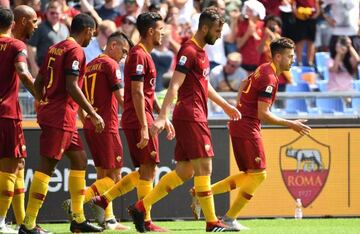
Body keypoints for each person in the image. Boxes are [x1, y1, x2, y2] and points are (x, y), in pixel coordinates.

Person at [127, 7, 241, 232]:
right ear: (205, 27)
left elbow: (203, 83)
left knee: (185, 171)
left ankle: (141, 206)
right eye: (217, 30)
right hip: (191, 115)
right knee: (205, 167)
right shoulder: (188, 51)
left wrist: (225, 105)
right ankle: (211, 222)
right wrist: (162, 116)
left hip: (192, 114)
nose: (219, 35)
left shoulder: (201, 51)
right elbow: (175, 84)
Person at [192, 37, 311, 231]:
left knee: (251, 174)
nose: (293, 60)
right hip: (247, 126)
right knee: (258, 175)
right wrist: (291, 124)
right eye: (290, 56)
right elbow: (263, 113)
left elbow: (242, 83)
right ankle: (227, 216)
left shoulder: (264, 68)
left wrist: (239, 107)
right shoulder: (269, 77)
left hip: (242, 123)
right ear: (278, 56)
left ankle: (203, 193)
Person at [19, 13, 104, 234]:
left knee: (80, 160)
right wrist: (93, 113)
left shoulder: (54, 48)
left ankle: (77, 218)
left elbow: (39, 80)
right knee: (47, 167)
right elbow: (72, 86)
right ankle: (28, 224)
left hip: (60, 114)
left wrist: (41, 100)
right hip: (61, 116)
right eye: (92, 34)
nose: (91, 39)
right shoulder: (75, 50)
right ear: (87, 30)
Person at [91, 12, 172, 232]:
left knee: (147, 169)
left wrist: (161, 116)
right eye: (161, 30)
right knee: (149, 169)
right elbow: (136, 93)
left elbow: (147, 92)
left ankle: (107, 200)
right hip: (138, 118)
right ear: (151, 31)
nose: (164, 35)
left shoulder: (144, 54)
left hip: (142, 116)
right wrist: (145, 126)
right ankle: (142, 217)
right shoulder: (138, 54)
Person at [63, 31, 133, 231]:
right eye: (124, 51)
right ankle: (79, 201)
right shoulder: (111, 65)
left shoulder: (91, 64)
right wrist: (137, 116)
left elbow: (80, 96)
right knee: (114, 177)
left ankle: (107, 219)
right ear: (112, 46)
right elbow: (120, 97)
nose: (124, 57)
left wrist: (86, 119)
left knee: (102, 174)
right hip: (107, 125)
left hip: (91, 125)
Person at [0, 5, 37, 233]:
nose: (35, 24)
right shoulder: (16, 45)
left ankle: (22, 222)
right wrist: (41, 96)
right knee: (10, 168)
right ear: (14, 23)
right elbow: (23, 72)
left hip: (7, 114)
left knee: (19, 163)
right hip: (6, 114)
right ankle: (1, 222)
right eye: (33, 21)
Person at [27, 0, 69, 77]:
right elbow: (30, 47)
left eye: (57, 13)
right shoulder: (40, 28)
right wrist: (34, 66)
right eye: (52, 13)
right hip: (43, 69)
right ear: (46, 13)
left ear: (61, 14)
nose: (54, 15)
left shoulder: (64, 29)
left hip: (60, 70)